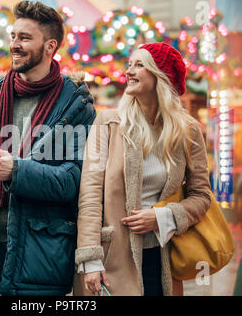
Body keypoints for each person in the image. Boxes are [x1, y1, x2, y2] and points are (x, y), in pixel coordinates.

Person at [0, 0, 95, 296]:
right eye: (13, 36)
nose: (14, 44)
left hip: (41, 249)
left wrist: (17, 171)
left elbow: (71, 180)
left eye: (25, 38)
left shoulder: (75, 104)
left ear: (51, 46)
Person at [73, 42, 211, 296]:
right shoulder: (108, 123)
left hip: (165, 258)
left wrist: (163, 217)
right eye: (129, 64)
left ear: (161, 75)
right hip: (112, 258)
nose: (129, 71)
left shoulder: (187, 131)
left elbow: (202, 196)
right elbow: (90, 194)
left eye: (139, 65)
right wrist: (91, 259)